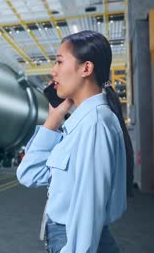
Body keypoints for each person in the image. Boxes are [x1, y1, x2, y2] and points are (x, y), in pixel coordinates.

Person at [16, 30, 134, 253]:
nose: (53, 70)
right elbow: (29, 174)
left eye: (60, 62)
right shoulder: (81, 124)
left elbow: (89, 210)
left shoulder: (95, 125)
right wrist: (54, 118)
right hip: (66, 237)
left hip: (77, 241)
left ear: (86, 68)